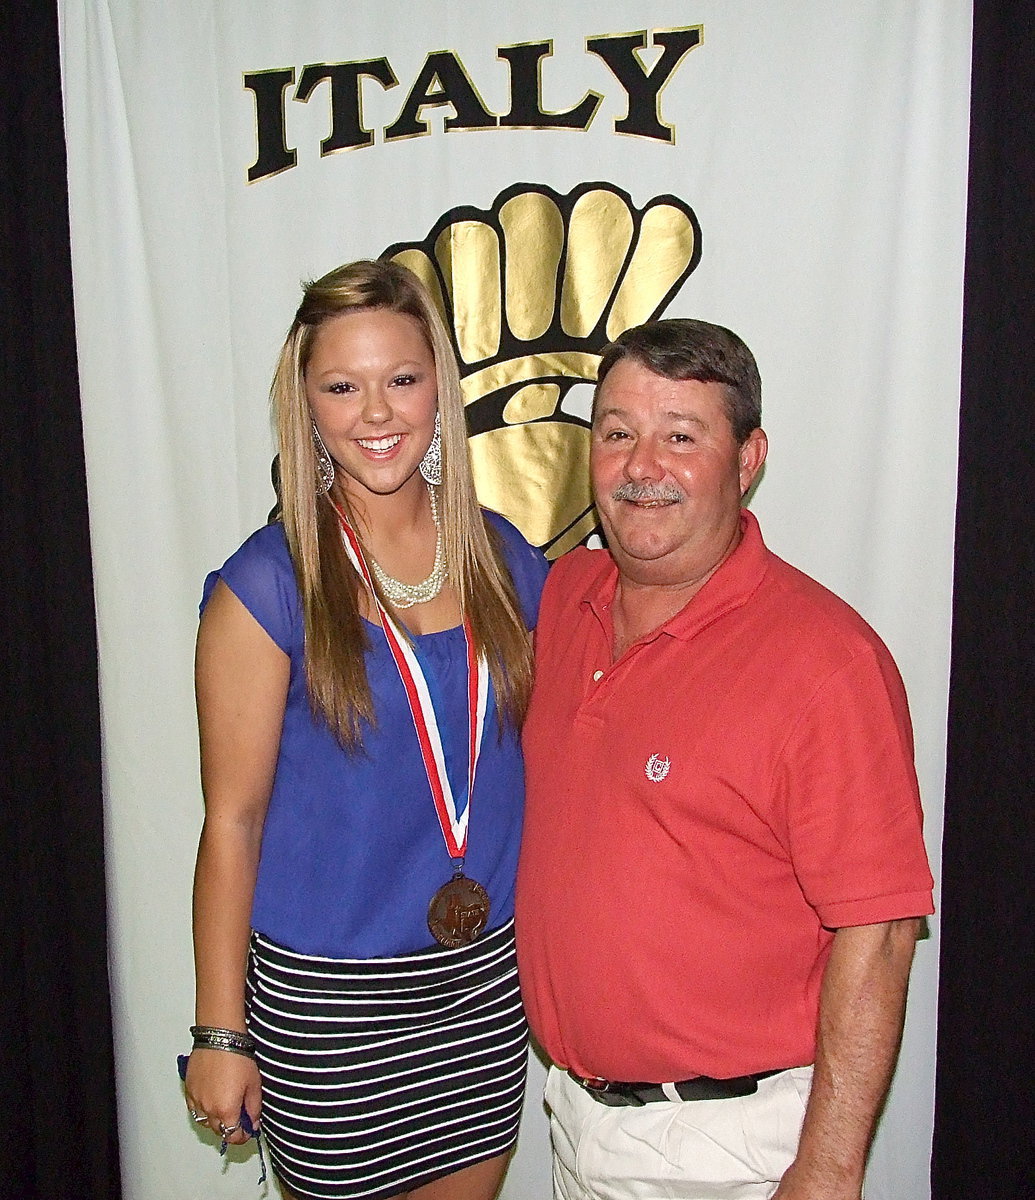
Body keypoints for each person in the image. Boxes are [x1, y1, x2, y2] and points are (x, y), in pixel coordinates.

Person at [516, 318, 935, 1200]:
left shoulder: (824, 662)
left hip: (734, 1154)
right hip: (571, 1124)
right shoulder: (562, 600)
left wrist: (824, 1172)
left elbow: (882, 932)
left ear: (747, 460)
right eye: (618, 432)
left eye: (680, 436)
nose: (641, 466)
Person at [183, 259, 548, 1200]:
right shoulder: (263, 588)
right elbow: (232, 824)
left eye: (401, 379)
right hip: (334, 1016)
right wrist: (220, 1034)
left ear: (439, 389)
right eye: (341, 387)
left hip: (479, 993)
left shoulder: (507, 558)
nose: (376, 413)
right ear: (305, 406)